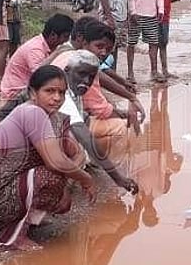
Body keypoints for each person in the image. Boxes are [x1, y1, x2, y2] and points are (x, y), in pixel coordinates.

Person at [0, 65, 95, 251]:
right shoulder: (31, 112)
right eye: (49, 91)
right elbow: (56, 162)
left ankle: (16, 221)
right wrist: (86, 179)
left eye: (61, 92)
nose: (57, 98)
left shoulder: (51, 116)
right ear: (33, 92)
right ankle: (13, 236)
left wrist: (69, 177)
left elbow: (75, 150)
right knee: (52, 177)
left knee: (60, 178)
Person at [47, 49, 140, 194]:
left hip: (50, 140)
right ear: (67, 71)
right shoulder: (61, 96)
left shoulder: (73, 89)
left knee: (82, 141)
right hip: (38, 147)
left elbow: (84, 117)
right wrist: (118, 178)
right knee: (80, 151)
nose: (86, 81)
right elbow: (85, 137)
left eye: (91, 77)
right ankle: (61, 191)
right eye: (81, 74)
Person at [46, 17, 145, 138]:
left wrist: (129, 96)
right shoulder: (82, 71)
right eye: (99, 46)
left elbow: (100, 76)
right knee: (123, 127)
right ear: (84, 43)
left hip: (50, 116)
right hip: (54, 126)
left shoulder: (69, 54)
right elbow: (101, 111)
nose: (104, 52)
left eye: (108, 50)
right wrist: (127, 115)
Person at [0, 13, 75, 101]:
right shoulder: (35, 49)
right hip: (15, 92)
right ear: (53, 35)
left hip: (27, 88)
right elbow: (40, 76)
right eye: (65, 37)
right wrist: (57, 52)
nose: (66, 41)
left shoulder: (48, 46)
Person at [158, 0, 181, 80]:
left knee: (163, 44)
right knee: (153, 45)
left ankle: (164, 70)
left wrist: (167, 3)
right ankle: (155, 71)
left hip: (165, 19)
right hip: (153, 18)